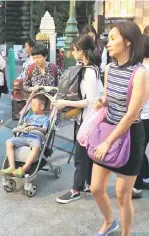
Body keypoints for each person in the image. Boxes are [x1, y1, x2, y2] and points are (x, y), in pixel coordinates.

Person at [91, 22, 149, 236]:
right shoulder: (110, 68)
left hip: (130, 136)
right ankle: (109, 222)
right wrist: (102, 101)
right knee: (96, 187)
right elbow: (109, 97)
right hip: (108, 130)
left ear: (128, 41)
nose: (108, 42)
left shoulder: (140, 73)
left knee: (122, 195)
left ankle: (126, 233)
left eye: (113, 37)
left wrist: (108, 142)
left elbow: (132, 114)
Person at [53, 35, 104, 204]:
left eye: (74, 50)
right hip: (88, 120)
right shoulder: (91, 68)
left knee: (80, 157)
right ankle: (88, 184)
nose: (72, 53)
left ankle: (75, 189)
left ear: (81, 51)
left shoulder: (89, 71)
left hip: (87, 121)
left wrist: (64, 103)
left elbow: (89, 101)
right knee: (86, 156)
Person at [132, 35, 149, 199]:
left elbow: (140, 98)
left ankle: (136, 187)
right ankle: (147, 179)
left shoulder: (144, 70)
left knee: (136, 153)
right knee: (140, 151)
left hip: (144, 119)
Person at [0, 94, 50, 178]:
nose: (32, 107)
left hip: (35, 138)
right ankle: (12, 167)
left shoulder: (45, 119)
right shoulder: (28, 116)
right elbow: (22, 125)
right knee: (9, 142)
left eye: (34, 105)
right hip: (24, 136)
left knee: (37, 146)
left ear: (41, 106)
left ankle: (25, 168)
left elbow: (44, 130)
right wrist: (21, 127)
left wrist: (35, 128)